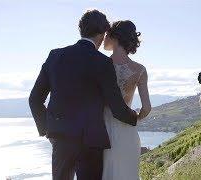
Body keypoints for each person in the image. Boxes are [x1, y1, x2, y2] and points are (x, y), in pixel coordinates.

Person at [29, 9, 138, 180]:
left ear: (81, 30)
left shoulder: (55, 56)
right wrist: (134, 117)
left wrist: (47, 129)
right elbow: (117, 107)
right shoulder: (102, 62)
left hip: (61, 137)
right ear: (102, 34)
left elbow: (35, 99)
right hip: (91, 141)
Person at [101, 20, 151, 180]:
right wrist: (135, 117)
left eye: (107, 34)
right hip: (127, 131)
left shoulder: (100, 64)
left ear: (114, 37)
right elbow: (147, 108)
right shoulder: (140, 70)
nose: (104, 38)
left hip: (102, 129)